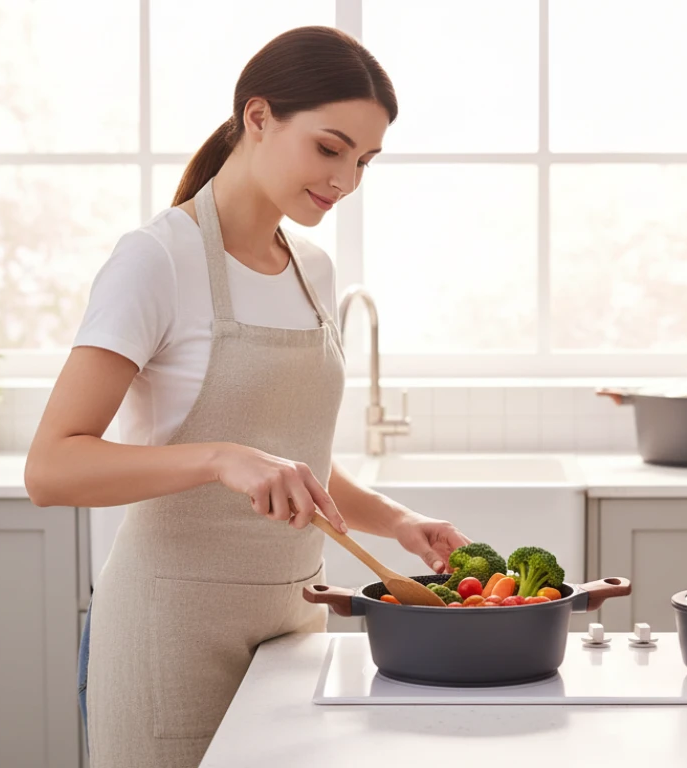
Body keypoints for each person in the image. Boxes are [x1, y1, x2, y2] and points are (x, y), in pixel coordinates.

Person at [25, 26, 472, 767]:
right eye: (330, 149)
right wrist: (219, 459)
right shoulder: (156, 259)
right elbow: (51, 469)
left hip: (296, 621)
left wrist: (397, 521)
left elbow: (291, 461)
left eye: (364, 160)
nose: (346, 179)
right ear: (257, 117)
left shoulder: (313, 270)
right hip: (170, 632)